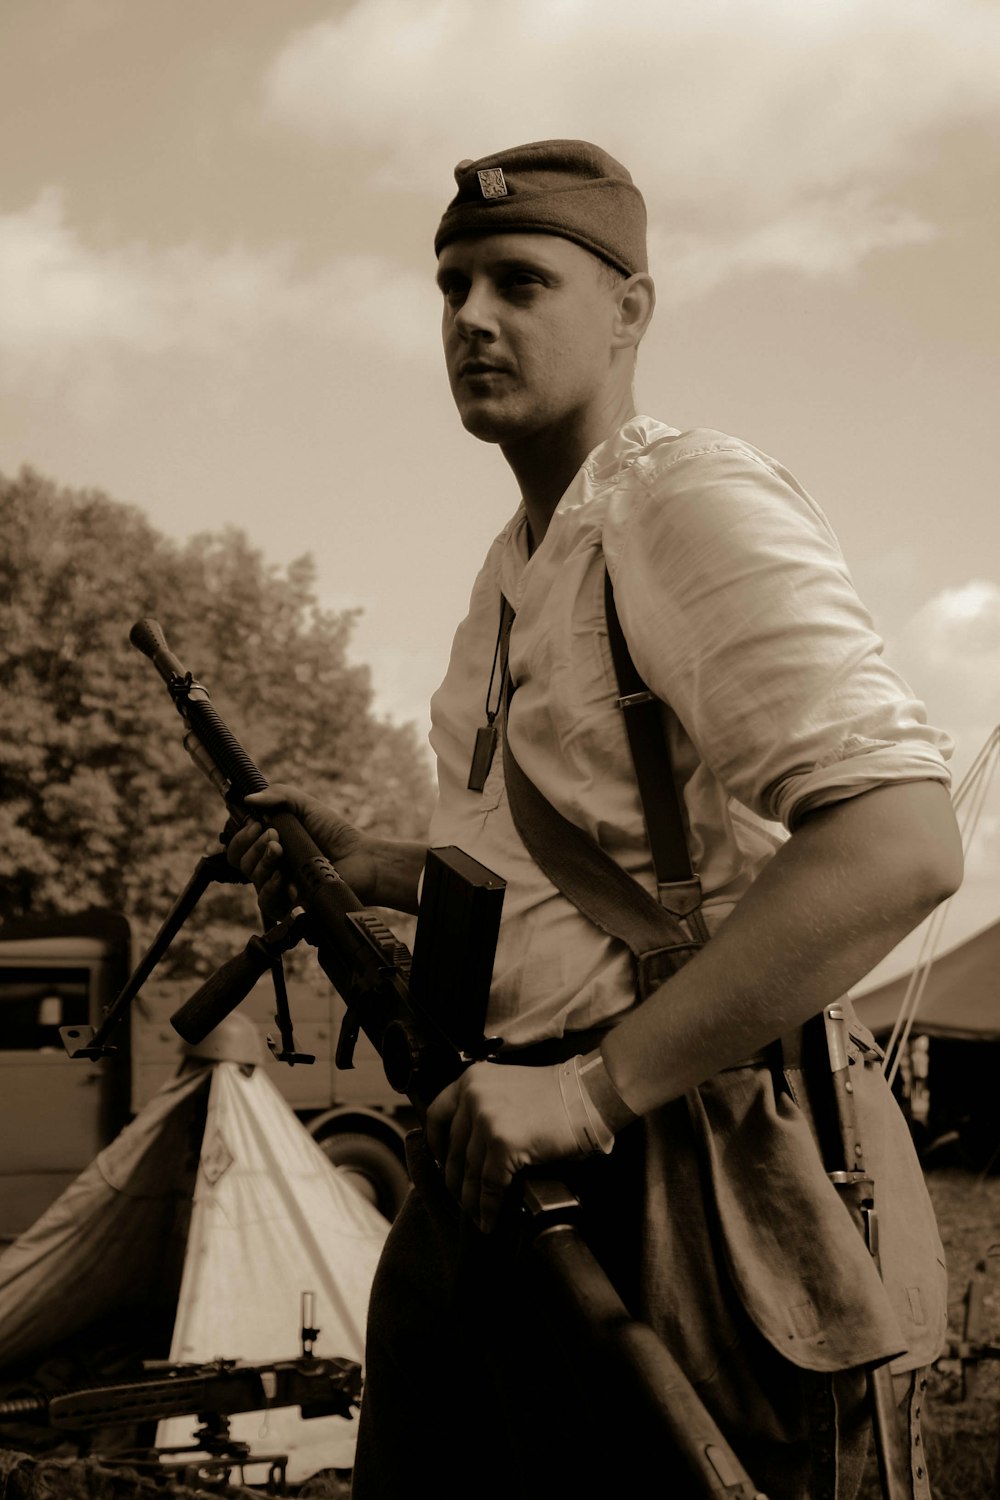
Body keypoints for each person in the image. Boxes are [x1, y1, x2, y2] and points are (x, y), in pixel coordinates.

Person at [230, 141, 963, 1499]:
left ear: (631, 310)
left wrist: (587, 1089)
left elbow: (899, 841)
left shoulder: (682, 500)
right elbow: (553, 873)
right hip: (490, 1143)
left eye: (519, 280)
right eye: (449, 287)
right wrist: (376, 863)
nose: (470, 317)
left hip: (659, 1155)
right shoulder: (508, 571)